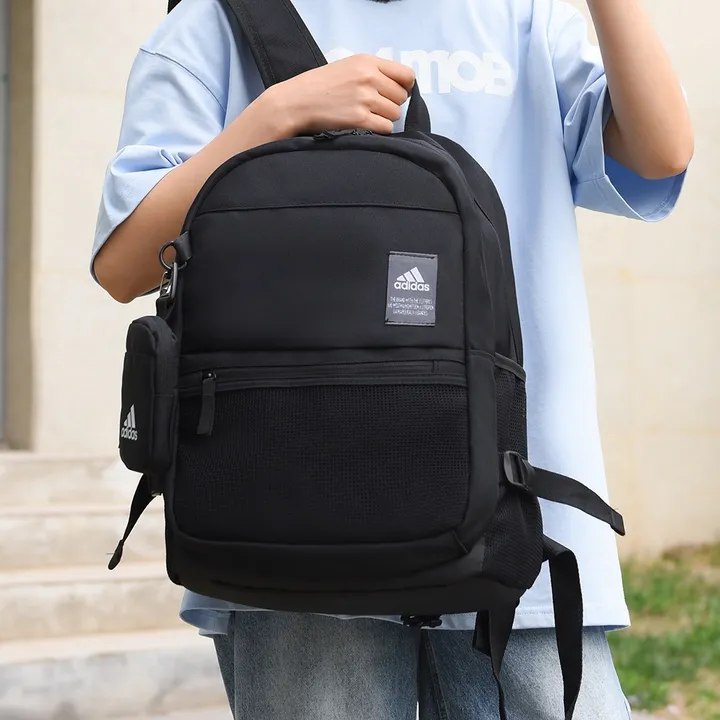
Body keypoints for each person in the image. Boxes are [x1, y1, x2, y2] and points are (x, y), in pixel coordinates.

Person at [92, 0, 693, 718]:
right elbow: (124, 261)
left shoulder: (523, 15)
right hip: (295, 526)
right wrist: (273, 117)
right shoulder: (219, 19)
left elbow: (660, 152)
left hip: (519, 521)